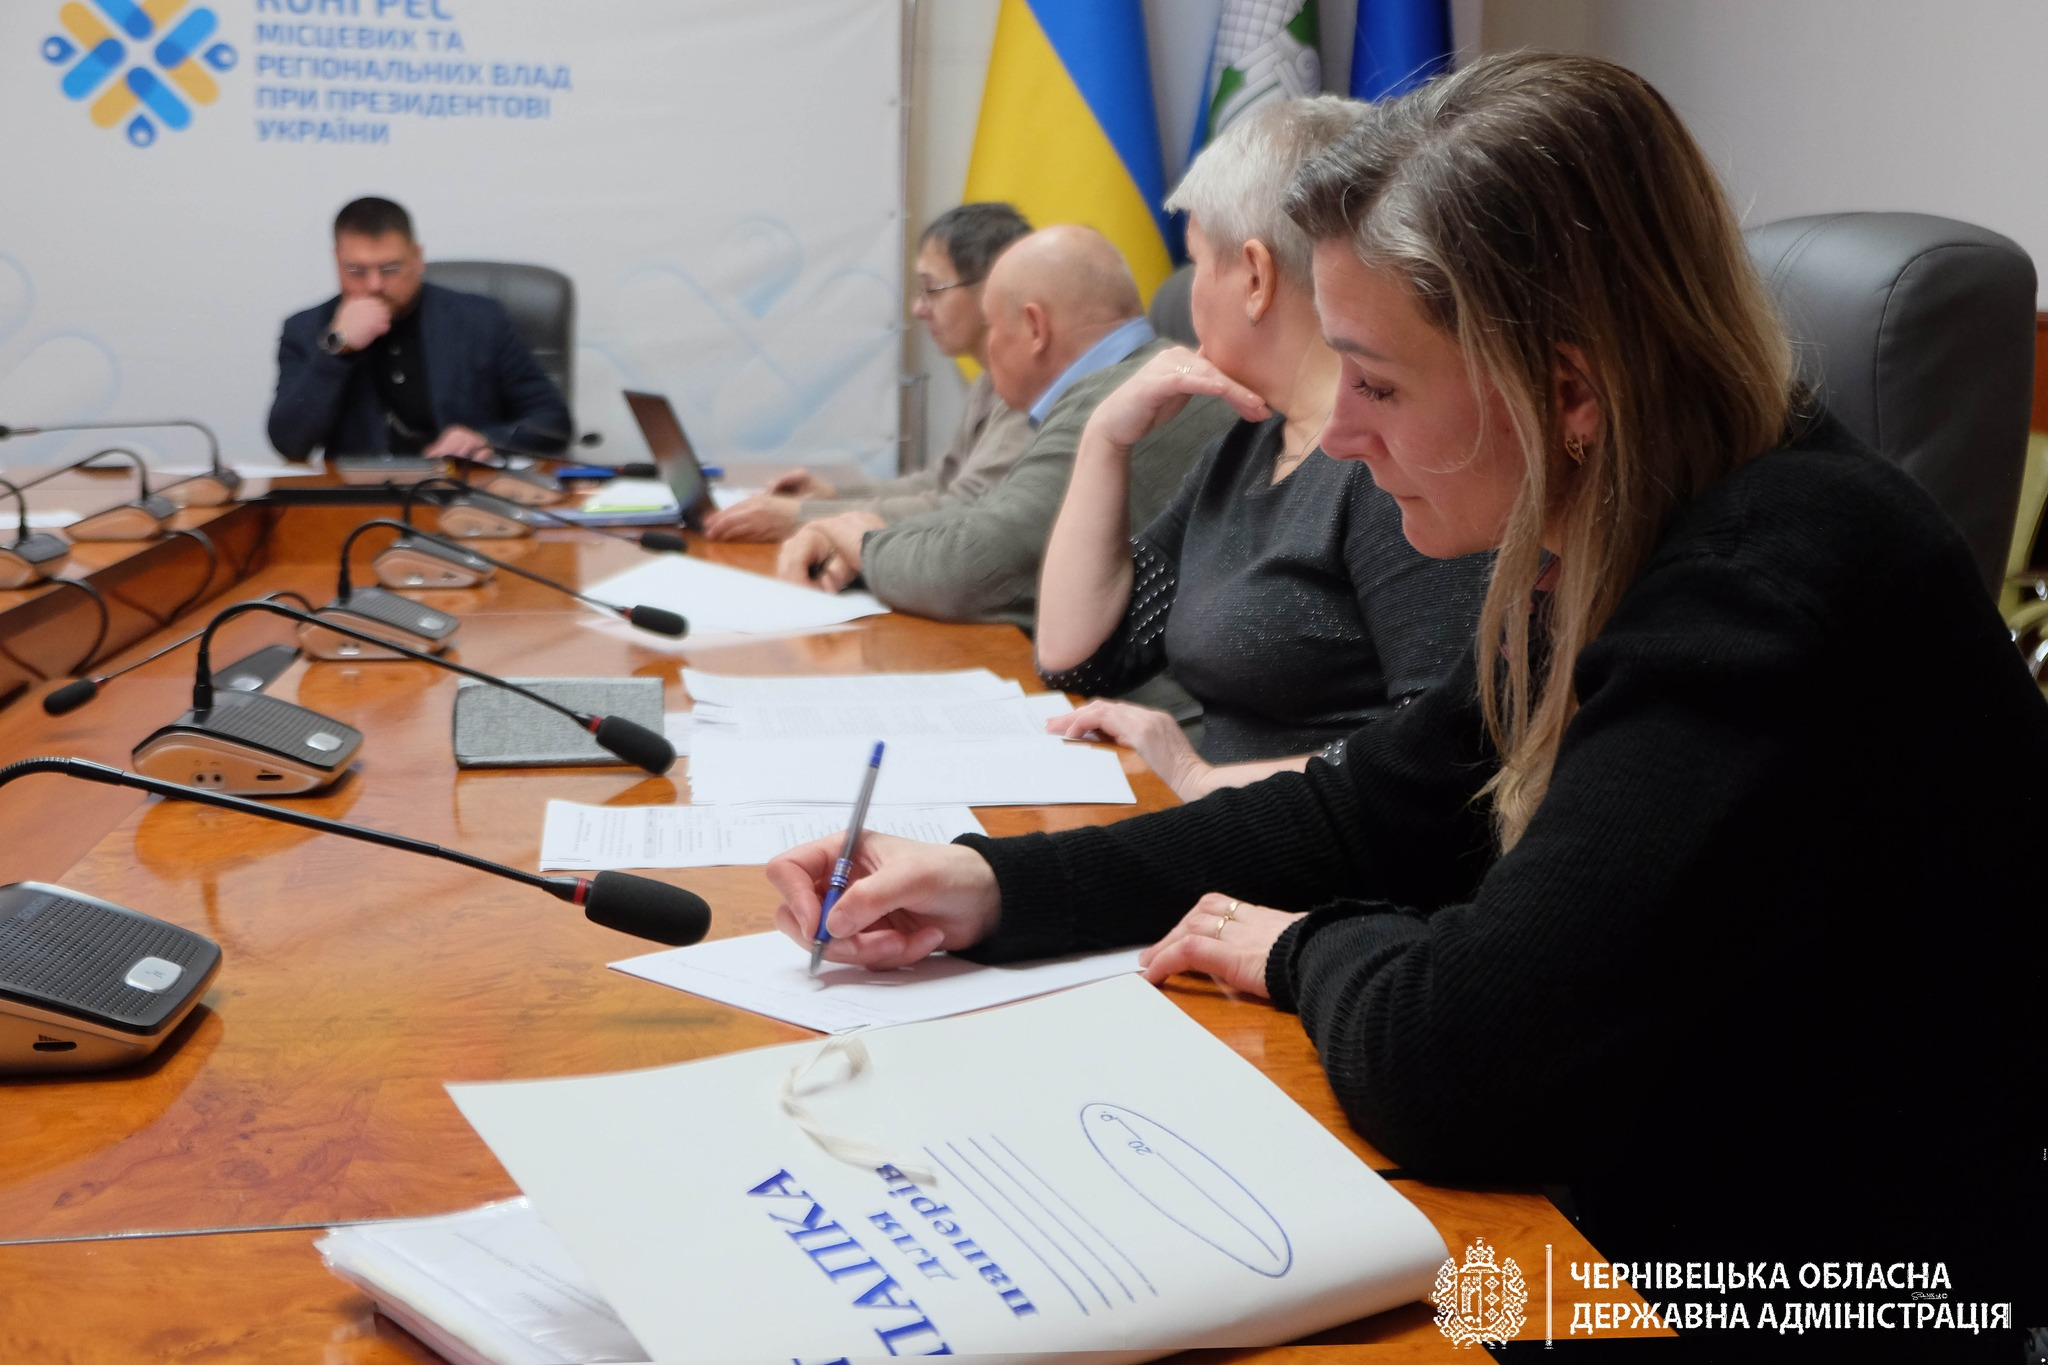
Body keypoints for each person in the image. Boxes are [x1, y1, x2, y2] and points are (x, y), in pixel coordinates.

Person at [768, 54, 2047, 1354]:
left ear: (1567, 390)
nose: (1339, 433)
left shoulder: (1760, 590)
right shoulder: (1618, 515)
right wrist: (992, 886)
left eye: (1377, 383)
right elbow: (1365, 807)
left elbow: (1459, 1064)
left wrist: (1300, 949)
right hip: (1657, 1187)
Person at [1035, 97, 1491, 800]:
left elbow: (1440, 751)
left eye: (1195, 265)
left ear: (1255, 276)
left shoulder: (1387, 461)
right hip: (1239, 829)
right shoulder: (1250, 444)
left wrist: (1199, 777)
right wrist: (1104, 438)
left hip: (1330, 852)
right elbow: (1080, 658)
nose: (1187, 301)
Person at [775, 226, 1237, 628]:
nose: (989, 347)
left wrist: (863, 544)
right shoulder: (1140, 374)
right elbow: (987, 512)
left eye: (992, 326)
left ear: (1035, 328)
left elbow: (973, 567)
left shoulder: (1113, 400)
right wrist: (866, 538)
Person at [702, 204, 1035, 542]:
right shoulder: (989, 378)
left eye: (931, 289)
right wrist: (832, 497)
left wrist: (799, 516)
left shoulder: (1031, 390)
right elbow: (939, 482)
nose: (917, 309)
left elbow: (962, 507)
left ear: (992, 289)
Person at [267, 197, 571, 464]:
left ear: (417, 257)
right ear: (337, 261)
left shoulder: (479, 320)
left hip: (460, 489)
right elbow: (289, 444)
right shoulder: (307, 328)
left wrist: (487, 439)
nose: (374, 285)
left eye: (390, 269)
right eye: (356, 271)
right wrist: (336, 349)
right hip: (358, 498)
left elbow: (554, 421)